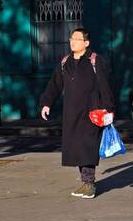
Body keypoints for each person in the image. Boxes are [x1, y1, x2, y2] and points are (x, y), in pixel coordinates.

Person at [39, 27, 115, 199]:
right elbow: (55, 84)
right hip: (71, 113)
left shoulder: (95, 61)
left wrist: (108, 108)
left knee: (88, 146)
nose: (73, 42)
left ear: (86, 43)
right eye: (72, 38)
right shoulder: (65, 62)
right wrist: (46, 103)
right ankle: (85, 181)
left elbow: (105, 87)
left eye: (77, 39)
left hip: (91, 112)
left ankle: (89, 183)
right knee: (76, 148)